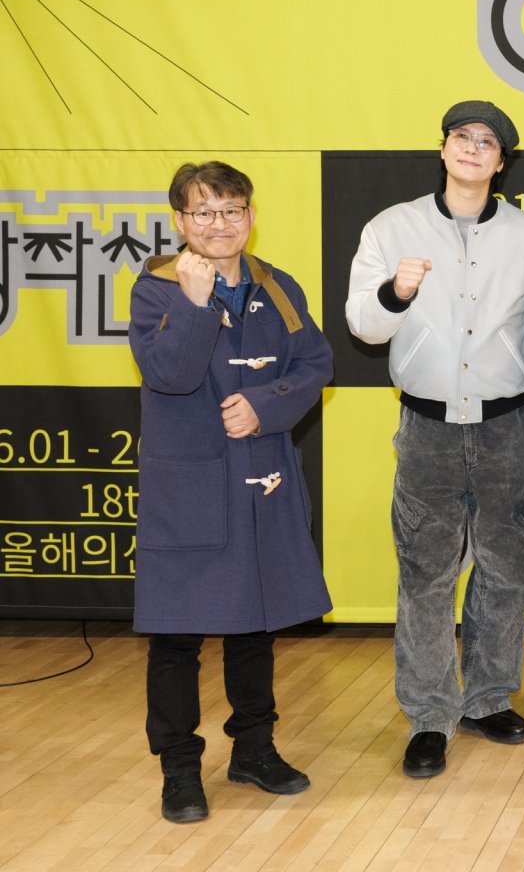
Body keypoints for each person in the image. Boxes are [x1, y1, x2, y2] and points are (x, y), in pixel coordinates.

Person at [346, 101, 524, 778]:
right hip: (426, 428)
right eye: (461, 137)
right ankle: (430, 716)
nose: (472, 148)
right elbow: (362, 325)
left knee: (505, 571)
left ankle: (488, 698)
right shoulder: (391, 228)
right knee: (425, 574)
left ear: (502, 163)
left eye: (487, 142)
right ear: (442, 150)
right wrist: (397, 292)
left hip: (509, 427)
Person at [130, 161, 333, 824]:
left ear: (250, 215)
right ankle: (179, 770)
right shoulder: (157, 288)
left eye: (232, 209)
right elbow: (171, 374)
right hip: (189, 486)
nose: (219, 224)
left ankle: (254, 750)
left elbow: (315, 365)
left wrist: (266, 404)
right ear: (180, 221)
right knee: (176, 635)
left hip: (261, 475)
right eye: (204, 211)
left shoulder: (277, 286)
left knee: (257, 624)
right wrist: (195, 305)